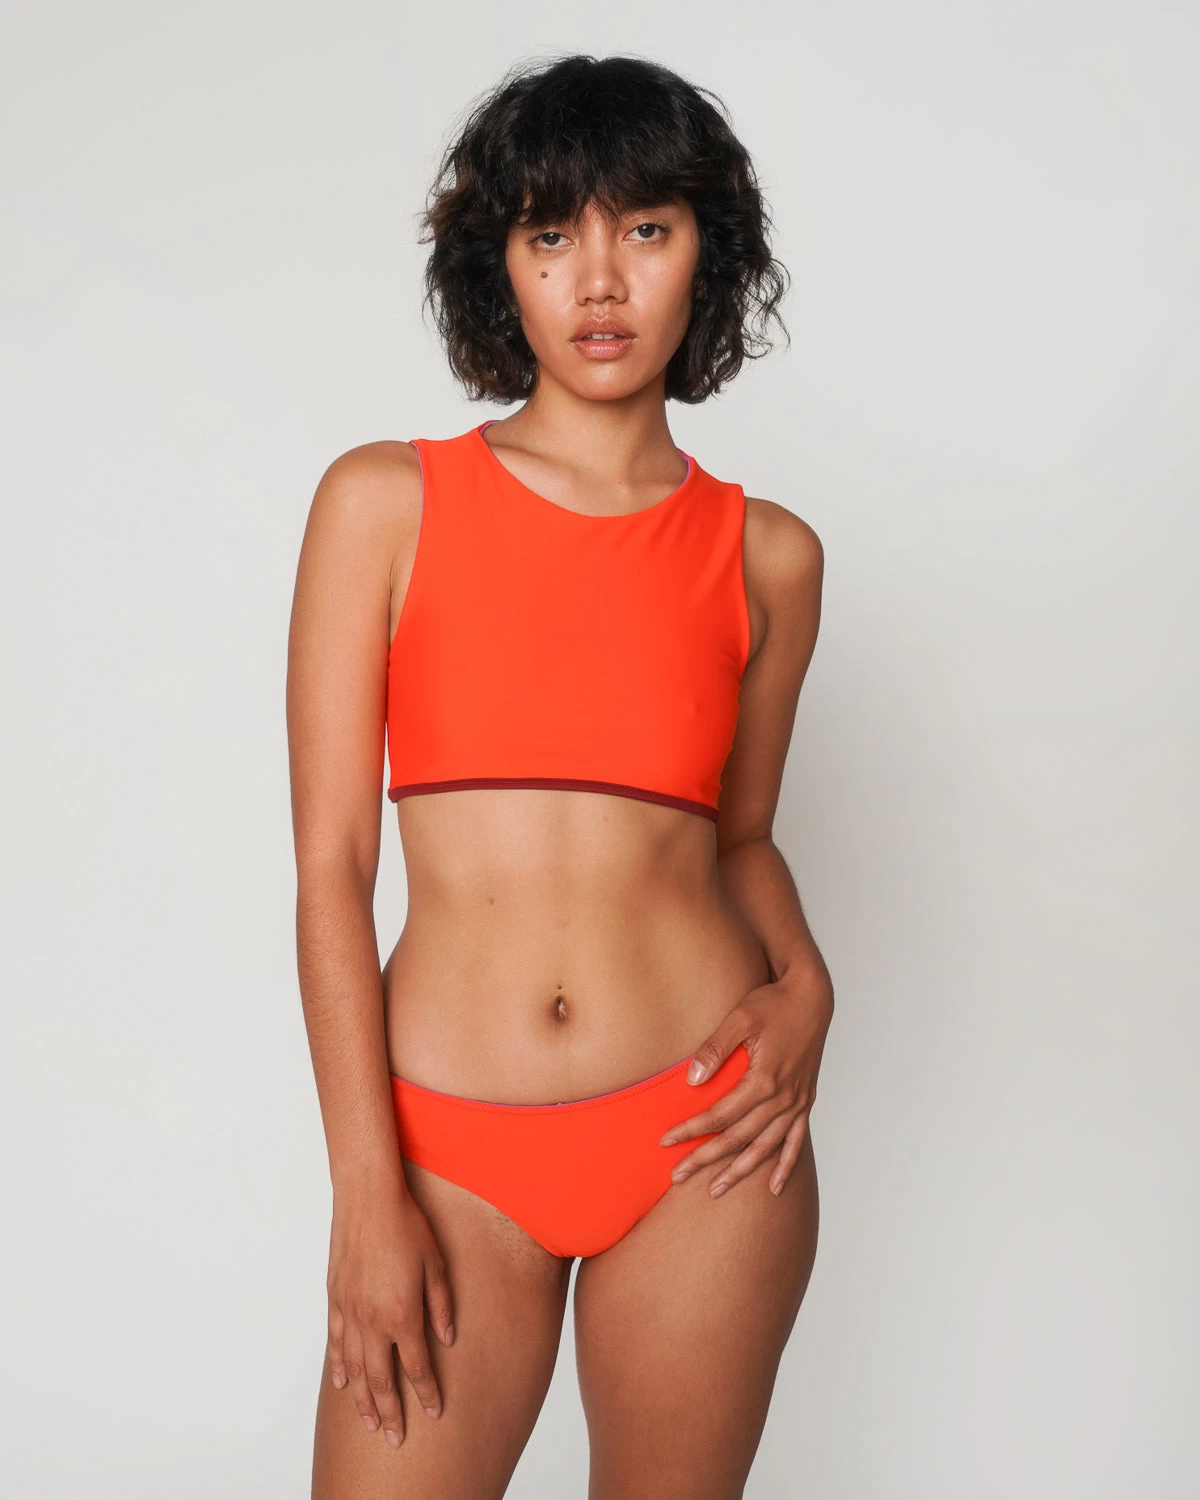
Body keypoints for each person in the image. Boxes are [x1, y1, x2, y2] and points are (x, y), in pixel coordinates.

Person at [287, 51, 833, 1500]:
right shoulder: (384, 504)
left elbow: (742, 839)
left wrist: (809, 984)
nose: (601, 281)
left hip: (705, 1142)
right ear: (501, 268)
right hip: (444, 1155)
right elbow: (332, 870)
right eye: (551, 235)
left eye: (646, 229)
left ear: (707, 252)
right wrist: (365, 1195)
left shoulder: (769, 556)